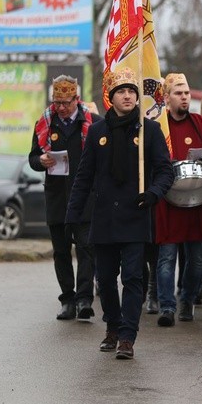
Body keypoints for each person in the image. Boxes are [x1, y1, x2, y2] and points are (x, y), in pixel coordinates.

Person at [65, 67, 173, 359]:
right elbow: (84, 176)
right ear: (111, 97)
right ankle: (112, 326)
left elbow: (165, 170)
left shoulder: (149, 129)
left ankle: (127, 336)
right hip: (103, 216)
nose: (127, 96)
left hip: (136, 213)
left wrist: (153, 193)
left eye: (132, 92)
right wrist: (72, 215)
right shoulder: (98, 130)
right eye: (122, 92)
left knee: (133, 278)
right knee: (106, 279)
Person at [153, 73, 202, 327]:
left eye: (186, 93)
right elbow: (148, 158)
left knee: (196, 260)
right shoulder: (158, 125)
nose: (184, 97)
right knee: (167, 256)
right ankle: (167, 306)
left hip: (198, 198)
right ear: (166, 97)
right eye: (178, 93)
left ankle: (187, 300)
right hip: (169, 200)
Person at [29, 75, 100, 321]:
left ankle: (84, 300)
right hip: (57, 197)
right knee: (61, 251)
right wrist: (41, 161)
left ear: (76, 99)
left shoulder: (93, 123)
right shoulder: (44, 124)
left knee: (86, 250)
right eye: (57, 102)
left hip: (84, 199)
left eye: (65, 103)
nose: (60, 108)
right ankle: (67, 299)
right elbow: (32, 158)